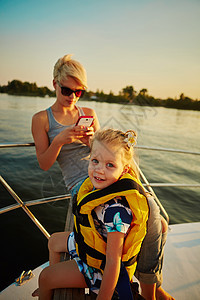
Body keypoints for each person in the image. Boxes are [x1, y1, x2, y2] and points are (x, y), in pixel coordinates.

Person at [32, 54, 174, 300]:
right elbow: (44, 163)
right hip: (82, 185)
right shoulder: (42, 119)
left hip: (109, 177)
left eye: (79, 92)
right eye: (67, 90)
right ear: (54, 83)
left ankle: (150, 283)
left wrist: (91, 143)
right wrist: (59, 139)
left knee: (160, 223)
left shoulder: (88, 112)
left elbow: (107, 156)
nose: (72, 97)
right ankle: (151, 288)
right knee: (154, 220)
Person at [33, 128, 149, 299]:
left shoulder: (116, 212)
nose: (99, 170)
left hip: (99, 270)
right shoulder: (97, 188)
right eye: (95, 161)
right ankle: (51, 286)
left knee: (45, 276)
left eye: (110, 165)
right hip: (89, 245)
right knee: (54, 241)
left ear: (124, 170)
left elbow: (113, 263)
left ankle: (49, 284)